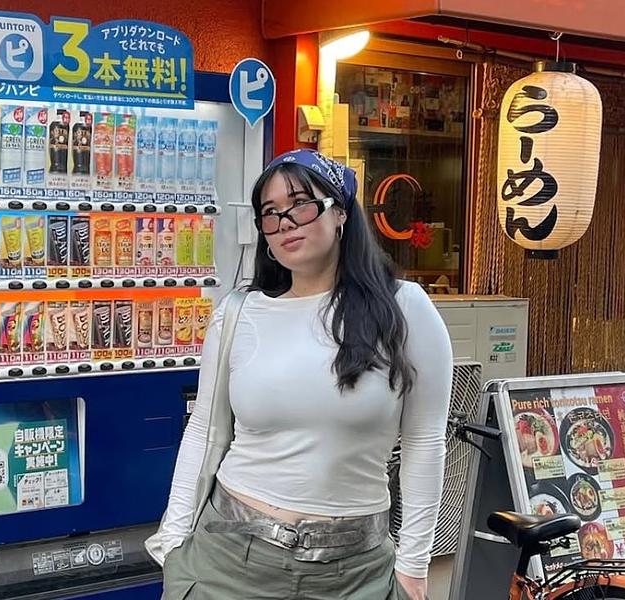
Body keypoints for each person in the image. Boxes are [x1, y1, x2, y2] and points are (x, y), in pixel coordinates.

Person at [146, 149, 452, 600]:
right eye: (270, 213)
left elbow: (425, 441)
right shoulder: (238, 313)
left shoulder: (404, 308)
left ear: (340, 212)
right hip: (227, 557)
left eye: (300, 204)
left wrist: (414, 566)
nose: (285, 222)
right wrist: (173, 542)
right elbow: (204, 430)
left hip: (355, 573)